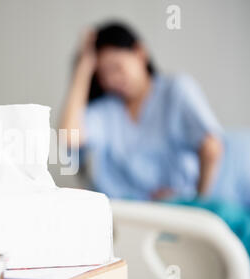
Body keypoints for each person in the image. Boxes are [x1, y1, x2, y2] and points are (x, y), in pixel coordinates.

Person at [61, 22, 250, 207]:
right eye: (102, 75)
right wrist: (83, 67)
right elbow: (69, 136)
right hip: (136, 213)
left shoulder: (175, 90)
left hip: (178, 207)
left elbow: (211, 148)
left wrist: (196, 203)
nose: (112, 80)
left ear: (140, 52)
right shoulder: (108, 110)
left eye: (117, 68)